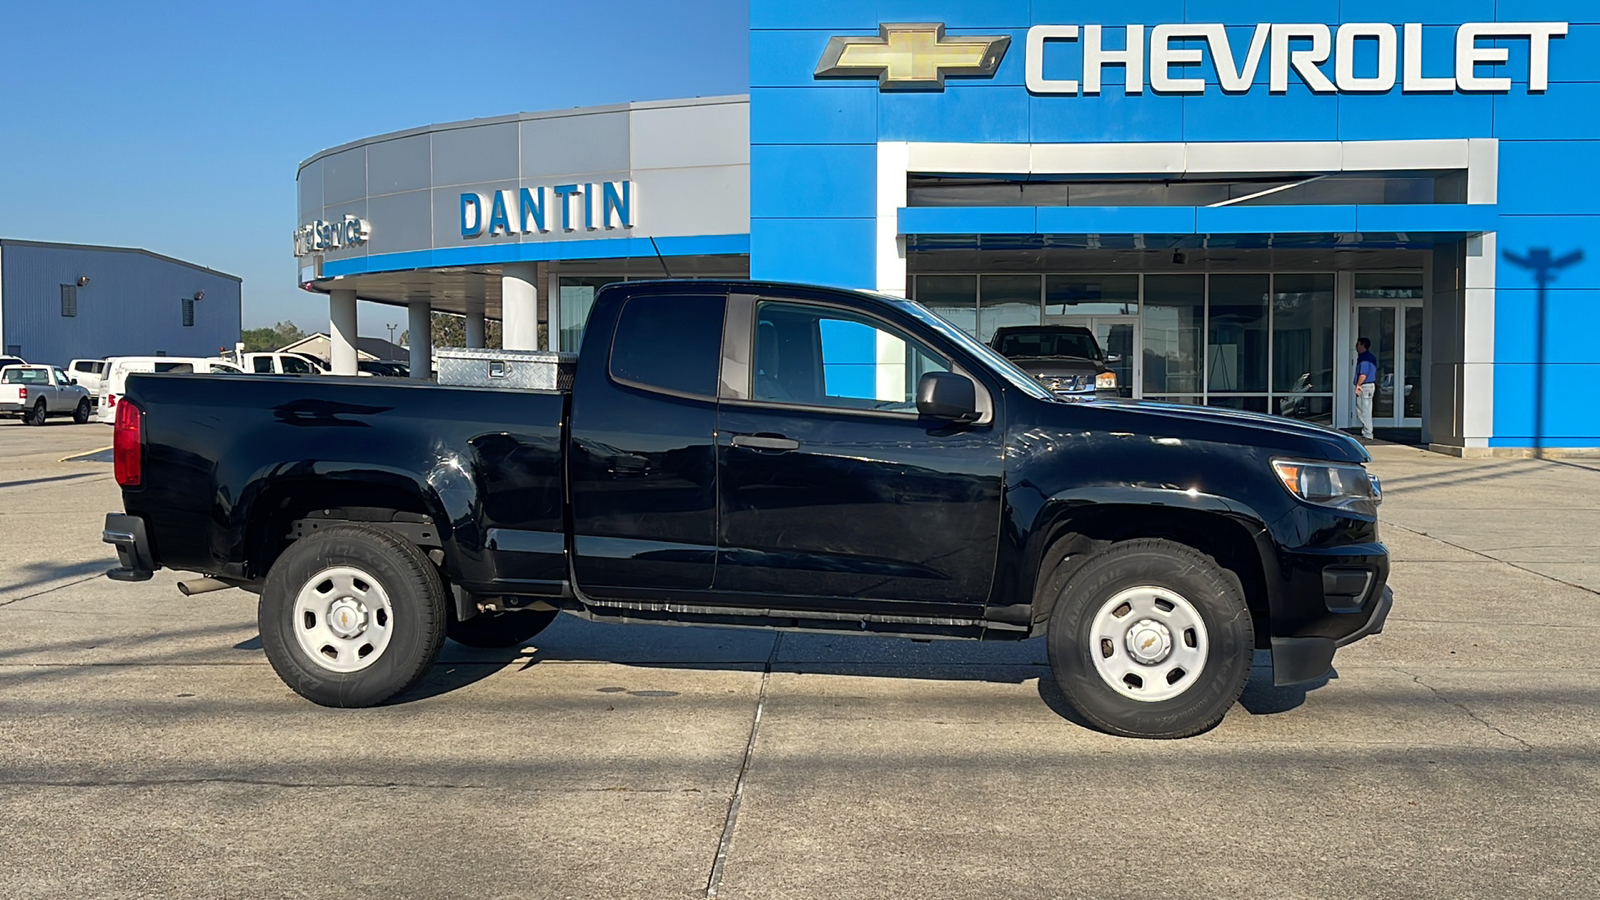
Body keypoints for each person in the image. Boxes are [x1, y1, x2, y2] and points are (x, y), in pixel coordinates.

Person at [1353, 337, 1378, 440]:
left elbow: (1363, 375)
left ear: (1362, 345)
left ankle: (1367, 433)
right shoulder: (1370, 357)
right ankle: (1367, 431)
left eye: (1357, 344)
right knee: (1365, 409)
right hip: (1369, 386)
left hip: (1365, 386)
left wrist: (1358, 385)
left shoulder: (1364, 358)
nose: (1356, 347)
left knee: (1364, 410)